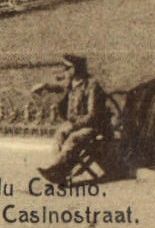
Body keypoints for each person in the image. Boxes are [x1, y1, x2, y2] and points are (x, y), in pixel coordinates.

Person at [30, 54, 110, 185]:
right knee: (59, 135)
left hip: (91, 126)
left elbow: (92, 115)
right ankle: (56, 169)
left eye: (68, 68)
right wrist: (44, 86)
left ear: (77, 68)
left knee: (73, 138)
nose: (65, 71)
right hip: (74, 124)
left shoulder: (91, 85)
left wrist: (76, 125)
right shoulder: (72, 82)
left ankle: (57, 171)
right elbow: (58, 86)